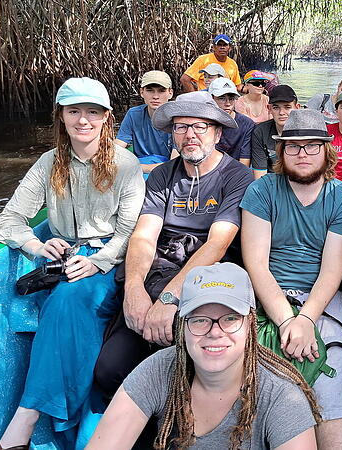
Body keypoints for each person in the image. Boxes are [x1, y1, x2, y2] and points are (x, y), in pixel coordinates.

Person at [0, 77, 145, 449]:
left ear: (107, 118)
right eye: (74, 111)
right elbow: (7, 221)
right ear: (61, 116)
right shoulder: (49, 163)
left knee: (68, 301)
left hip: (110, 260)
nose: (83, 121)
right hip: (66, 258)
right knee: (66, 301)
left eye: (93, 112)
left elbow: (129, 234)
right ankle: (70, 414)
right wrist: (35, 244)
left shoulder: (126, 165)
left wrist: (98, 262)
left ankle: (24, 422)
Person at [93, 91, 254, 399]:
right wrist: (135, 291)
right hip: (157, 272)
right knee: (109, 370)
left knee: (189, 367)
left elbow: (217, 245)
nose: (189, 134)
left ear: (217, 134)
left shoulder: (237, 177)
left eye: (200, 127)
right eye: (181, 127)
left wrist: (169, 300)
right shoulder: (163, 176)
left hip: (210, 278)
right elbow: (143, 236)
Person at [87, 263, 321, 450]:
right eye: (200, 320)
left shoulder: (281, 397)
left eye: (230, 319)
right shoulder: (160, 370)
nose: (215, 332)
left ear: (250, 324)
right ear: (182, 325)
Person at [240, 109, 342, 449]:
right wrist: (287, 319)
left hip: (322, 301)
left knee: (331, 394)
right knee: (258, 386)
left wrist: (306, 317)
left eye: (311, 146)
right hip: (267, 296)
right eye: (293, 147)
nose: (302, 154)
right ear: (281, 152)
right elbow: (257, 265)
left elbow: (332, 269)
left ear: (326, 150)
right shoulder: (262, 191)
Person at [115, 70, 176, 173]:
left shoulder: (177, 118)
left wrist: (140, 168)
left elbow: (175, 162)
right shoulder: (134, 114)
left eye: (161, 91)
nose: (155, 96)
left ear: (170, 93)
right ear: (142, 92)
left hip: (164, 170)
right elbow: (118, 146)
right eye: (150, 90)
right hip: (140, 166)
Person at [250, 84, 300, 179]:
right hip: (272, 182)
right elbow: (260, 176)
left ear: (297, 108)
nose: (281, 112)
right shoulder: (260, 132)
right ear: (269, 109)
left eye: (287, 107)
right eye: (276, 108)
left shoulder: (308, 131)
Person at [209, 77, 254, 166]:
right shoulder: (205, 122)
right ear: (212, 98)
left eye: (231, 98)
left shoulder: (247, 124)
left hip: (235, 172)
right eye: (222, 98)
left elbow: (244, 160)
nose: (228, 103)